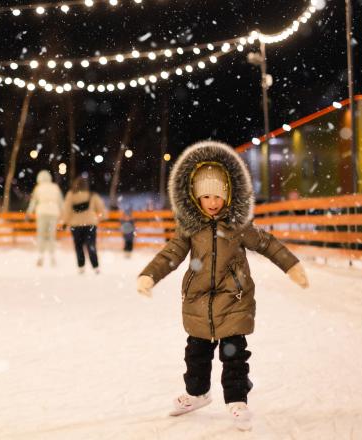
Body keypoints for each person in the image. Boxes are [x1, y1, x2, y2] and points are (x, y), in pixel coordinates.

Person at [135, 141, 309, 431]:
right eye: (206, 196)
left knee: (234, 354)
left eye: (218, 195)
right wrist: (149, 275)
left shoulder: (238, 225)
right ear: (195, 197)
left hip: (234, 298)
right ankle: (197, 394)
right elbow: (171, 254)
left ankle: (237, 400)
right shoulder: (190, 227)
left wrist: (291, 266)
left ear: (228, 195)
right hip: (198, 300)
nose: (213, 202)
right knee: (196, 354)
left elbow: (266, 244)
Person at [61, 176, 107, 274]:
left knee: (78, 246)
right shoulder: (92, 195)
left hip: (76, 225)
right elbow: (101, 208)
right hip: (90, 224)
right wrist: (102, 217)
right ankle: (95, 266)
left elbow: (67, 210)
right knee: (91, 245)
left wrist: (65, 222)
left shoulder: (71, 195)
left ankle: (81, 266)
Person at [26, 170, 64, 267]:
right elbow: (60, 202)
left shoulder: (38, 188)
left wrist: (29, 212)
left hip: (42, 213)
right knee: (52, 235)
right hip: (53, 213)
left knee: (41, 235)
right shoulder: (55, 187)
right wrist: (63, 213)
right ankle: (52, 257)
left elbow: (33, 202)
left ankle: (40, 256)